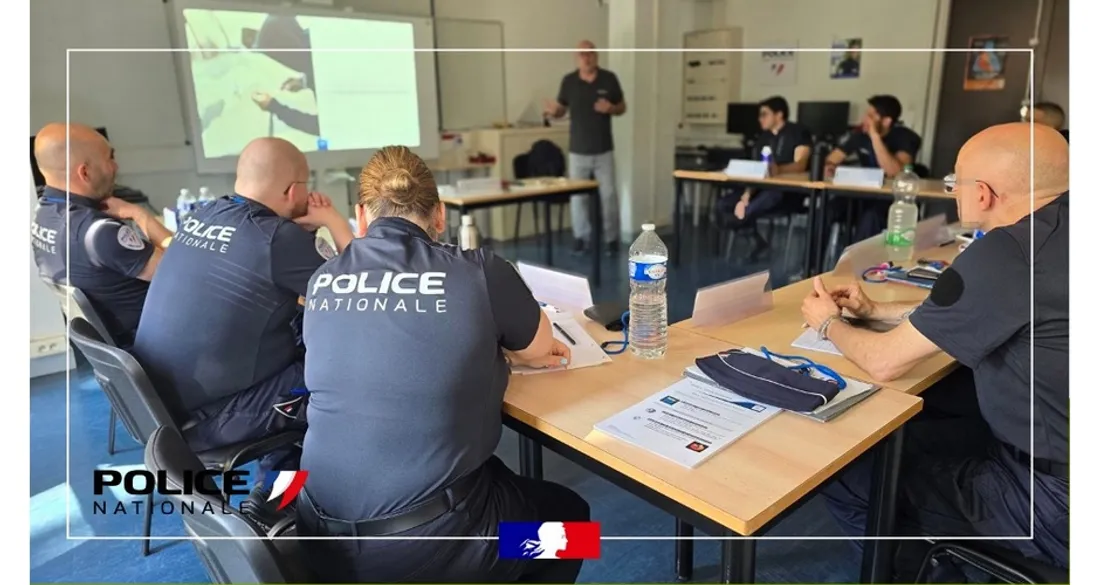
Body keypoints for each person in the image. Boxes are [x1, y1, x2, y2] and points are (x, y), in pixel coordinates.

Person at [296, 145, 591, 583]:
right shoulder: (479, 271)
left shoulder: (322, 279)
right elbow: (537, 348)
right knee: (573, 525)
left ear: (361, 216)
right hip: (428, 546)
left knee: (491, 477)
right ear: (440, 216)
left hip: (316, 532)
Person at [801, 123, 1069, 572]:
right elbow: (995, 306)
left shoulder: (1006, 254)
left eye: (954, 183)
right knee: (923, 419)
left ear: (982, 194)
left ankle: (913, 571)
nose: (952, 193)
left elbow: (883, 362)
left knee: (842, 470)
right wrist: (878, 310)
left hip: (1046, 504)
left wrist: (827, 323)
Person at [132, 137, 353, 524]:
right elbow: (365, 291)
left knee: (302, 352)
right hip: (208, 419)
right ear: (292, 190)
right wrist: (333, 221)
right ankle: (277, 503)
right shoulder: (277, 239)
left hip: (158, 404)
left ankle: (277, 479)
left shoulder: (203, 213)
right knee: (338, 376)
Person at [31, 123, 172, 348]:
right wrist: (139, 214)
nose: (115, 167)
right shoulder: (98, 232)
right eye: (109, 158)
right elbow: (183, 272)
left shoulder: (43, 216)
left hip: (126, 347)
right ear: (84, 172)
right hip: (161, 345)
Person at [544, 40, 627, 256]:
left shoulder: (609, 79)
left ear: (596, 55)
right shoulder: (569, 81)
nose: (586, 57)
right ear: (576, 57)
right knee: (578, 199)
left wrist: (612, 108)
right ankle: (582, 238)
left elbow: (622, 106)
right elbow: (561, 109)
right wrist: (554, 111)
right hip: (578, 150)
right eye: (582, 54)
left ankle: (611, 240)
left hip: (603, 149)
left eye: (589, 53)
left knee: (608, 196)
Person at [716, 96, 813, 260]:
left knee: (751, 208)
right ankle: (756, 240)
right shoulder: (762, 138)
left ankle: (739, 221)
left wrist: (778, 170)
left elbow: (801, 165)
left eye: (764, 114)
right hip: (760, 188)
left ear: (779, 114)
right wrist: (745, 197)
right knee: (723, 205)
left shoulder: (798, 132)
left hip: (787, 191)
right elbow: (757, 171)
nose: (760, 119)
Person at [825, 95, 923, 240]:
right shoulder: (859, 136)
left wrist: (875, 136)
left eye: (870, 116)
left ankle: (858, 262)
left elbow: (895, 173)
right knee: (828, 210)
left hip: (891, 199)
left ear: (887, 121)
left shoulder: (906, 137)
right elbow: (831, 159)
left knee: (871, 218)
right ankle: (811, 261)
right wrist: (830, 167)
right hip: (862, 195)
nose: (865, 119)